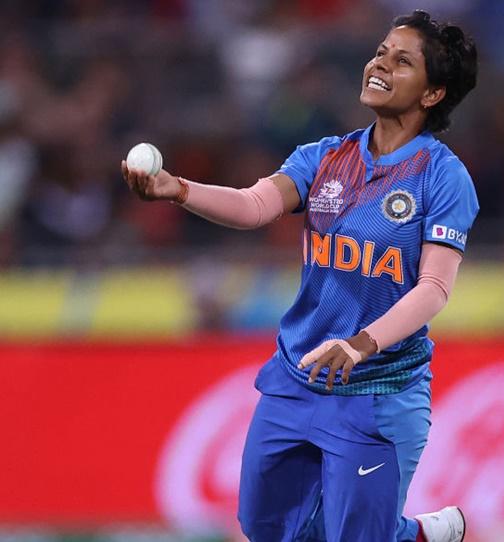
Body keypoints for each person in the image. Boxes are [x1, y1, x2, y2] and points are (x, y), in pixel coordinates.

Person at [122, 10, 478, 542]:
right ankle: (411, 535)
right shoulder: (325, 157)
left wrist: (361, 344)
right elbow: (254, 205)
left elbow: (434, 289)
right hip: (296, 377)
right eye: (381, 51)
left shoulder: (443, 177)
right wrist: (180, 190)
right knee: (265, 529)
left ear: (431, 94)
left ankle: (403, 533)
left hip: (377, 391)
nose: (380, 63)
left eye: (402, 61)